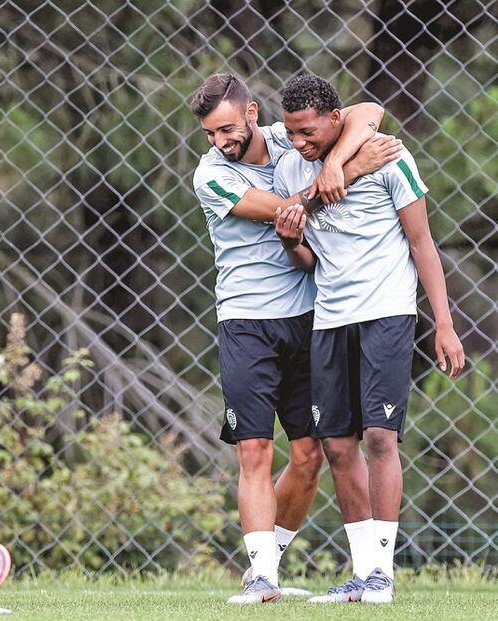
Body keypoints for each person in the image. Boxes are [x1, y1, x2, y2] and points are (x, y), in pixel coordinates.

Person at [190, 73, 401, 604]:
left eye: (227, 129)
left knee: (311, 455)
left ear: (253, 112)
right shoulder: (211, 175)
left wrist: (334, 163)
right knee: (255, 449)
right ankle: (262, 577)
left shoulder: (291, 137)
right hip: (246, 322)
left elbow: (368, 110)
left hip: (312, 316)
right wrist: (352, 167)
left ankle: (272, 561)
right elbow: (288, 212)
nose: (221, 142)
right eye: (211, 134)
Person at [273, 74, 465, 604]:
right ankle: (364, 573)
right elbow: (309, 262)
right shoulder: (293, 166)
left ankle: (383, 574)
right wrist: (291, 243)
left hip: (387, 313)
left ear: (335, 120)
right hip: (330, 318)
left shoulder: (389, 159)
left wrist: (444, 325)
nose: (299, 143)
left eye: (308, 132)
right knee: (336, 444)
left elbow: (423, 243)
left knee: (380, 437)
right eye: (291, 133)